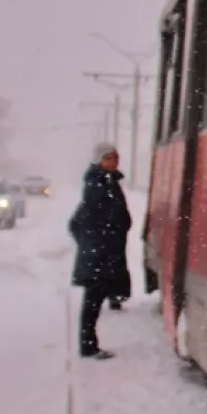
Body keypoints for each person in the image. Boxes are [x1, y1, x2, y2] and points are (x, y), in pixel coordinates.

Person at [69, 143, 132, 360]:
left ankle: (89, 344)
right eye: (108, 158)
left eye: (115, 158)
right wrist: (93, 244)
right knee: (92, 302)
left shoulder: (107, 182)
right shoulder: (98, 185)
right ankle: (88, 346)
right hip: (100, 255)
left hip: (103, 252)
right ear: (99, 161)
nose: (113, 162)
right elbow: (78, 223)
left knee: (95, 300)